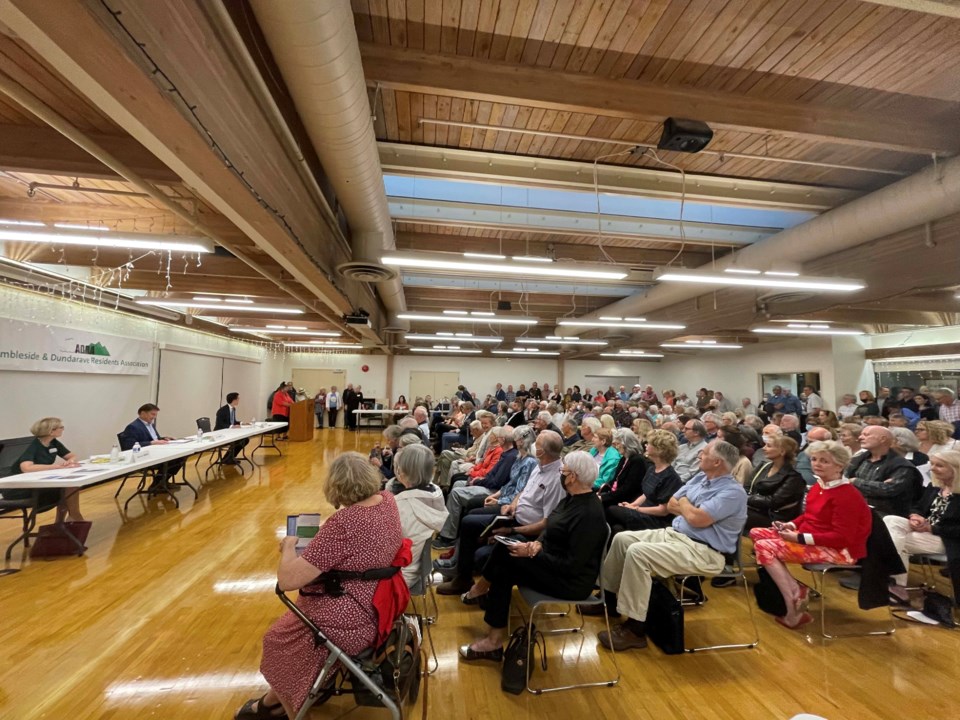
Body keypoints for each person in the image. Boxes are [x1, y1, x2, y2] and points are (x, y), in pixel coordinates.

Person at [235, 453, 404, 719]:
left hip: (349, 614)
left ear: (336, 486)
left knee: (277, 641)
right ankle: (271, 704)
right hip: (378, 602)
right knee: (297, 646)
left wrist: (289, 547)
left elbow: (288, 581)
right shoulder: (387, 500)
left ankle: (291, 712)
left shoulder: (344, 523)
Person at [596, 440, 747, 651]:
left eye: (703, 454)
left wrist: (685, 505)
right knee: (623, 539)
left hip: (704, 550)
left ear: (716, 462)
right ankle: (609, 601)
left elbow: (695, 518)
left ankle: (635, 629)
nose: (698, 456)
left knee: (638, 553)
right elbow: (671, 503)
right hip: (676, 534)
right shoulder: (701, 478)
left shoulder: (733, 492)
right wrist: (688, 507)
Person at [458, 451, 607, 661]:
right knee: (505, 557)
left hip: (571, 581)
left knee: (506, 557)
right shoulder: (572, 499)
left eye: (562, 471)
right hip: (551, 562)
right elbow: (551, 527)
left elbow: (572, 566)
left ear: (572, 477)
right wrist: (536, 544)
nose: (560, 475)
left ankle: (485, 604)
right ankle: (492, 635)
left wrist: (532, 553)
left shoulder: (589, 514)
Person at [749, 441, 872, 629]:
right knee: (757, 532)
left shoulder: (847, 495)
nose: (817, 464)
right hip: (815, 538)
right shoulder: (820, 485)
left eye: (824, 461)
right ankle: (794, 588)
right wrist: (790, 524)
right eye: (814, 459)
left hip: (840, 550)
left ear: (839, 466)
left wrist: (798, 538)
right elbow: (809, 515)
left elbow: (842, 537)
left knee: (764, 547)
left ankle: (792, 605)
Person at [436, 431, 564, 598]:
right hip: (513, 516)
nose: (533, 447)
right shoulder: (540, 466)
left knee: (481, 549)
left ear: (541, 452)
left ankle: (477, 582)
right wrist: (512, 504)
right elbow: (523, 490)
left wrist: (513, 531)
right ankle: (463, 577)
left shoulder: (555, 479)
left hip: (524, 528)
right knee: (468, 522)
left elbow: (546, 523)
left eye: (537, 445)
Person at [884, 450, 960, 603]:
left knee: (892, 540)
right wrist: (915, 516)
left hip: (947, 539)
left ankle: (894, 584)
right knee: (890, 520)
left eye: (939, 465)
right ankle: (895, 585)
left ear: (955, 469)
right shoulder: (935, 487)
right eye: (932, 464)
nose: (932, 469)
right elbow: (917, 507)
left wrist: (932, 529)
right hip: (924, 531)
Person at [3, 417, 84, 522]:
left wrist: (70, 462)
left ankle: (65, 520)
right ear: (51, 431)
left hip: (37, 481)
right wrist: (56, 467)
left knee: (70, 486)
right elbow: (26, 467)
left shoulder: (53, 442)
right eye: (61, 427)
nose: (63, 429)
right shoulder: (33, 445)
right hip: (19, 487)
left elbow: (71, 456)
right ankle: (72, 517)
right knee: (67, 488)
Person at [391, 444, 448, 588]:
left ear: (402, 472)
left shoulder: (400, 505)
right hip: (417, 570)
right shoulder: (435, 493)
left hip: (396, 576)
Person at [604, 429, 681, 534]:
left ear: (659, 449)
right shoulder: (652, 469)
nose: (645, 446)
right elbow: (645, 494)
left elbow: (663, 511)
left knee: (611, 510)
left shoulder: (670, 477)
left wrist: (636, 509)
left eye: (649, 444)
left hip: (656, 520)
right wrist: (633, 505)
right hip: (644, 510)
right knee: (617, 527)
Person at [845, 426, 921, 518]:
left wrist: (855, 481)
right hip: (854, 507)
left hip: (885, 514)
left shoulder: (902, 466)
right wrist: (876, 485)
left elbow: (888, 489)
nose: (860, 437)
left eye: (866, 435)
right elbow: (843, 480)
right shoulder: (858, 460)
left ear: (883, 439)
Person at [743, 435, 805, 532]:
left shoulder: (793, 477)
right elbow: (747, 487)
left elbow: (773, 502)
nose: (763, 448)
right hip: (754, 508)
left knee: (734, 511)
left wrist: (744, 498)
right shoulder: (763, 466)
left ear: (782, 451)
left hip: (775, 518)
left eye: (769, 446)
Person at [119, 403, 186, 490]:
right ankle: (157, 484)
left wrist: (164, 438)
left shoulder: (151, 424)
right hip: (144, 456)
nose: (154, 417)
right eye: (152, 414)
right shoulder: (133, 427)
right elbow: (129, 445)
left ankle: (162, 482)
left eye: (155, 415)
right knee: (172, 460)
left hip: (156, 452)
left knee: (180, 457)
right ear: (143, 413)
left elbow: (154, 439)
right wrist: (151, 443)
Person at [215, 392, 248, 465]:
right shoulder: (222, 410)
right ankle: (227, 458)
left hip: (229, 432)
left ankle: (230, 457)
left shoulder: (233, 409)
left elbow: (233, 421)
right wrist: (232, 426)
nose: (239, 400)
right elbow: (220, 424)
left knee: (245, 439)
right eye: (238, 399)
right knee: (238, 440)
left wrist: (242, 423)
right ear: (234, 400)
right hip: (220, 433)